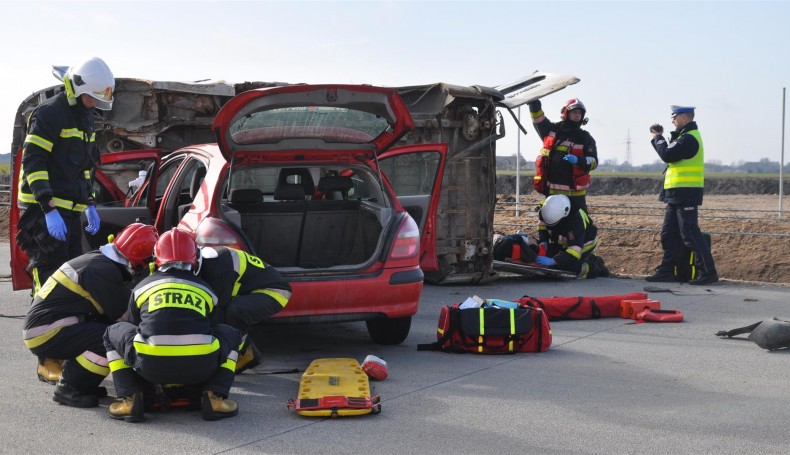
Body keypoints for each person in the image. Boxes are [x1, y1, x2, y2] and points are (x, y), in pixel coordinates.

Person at [104, 228, 242, 422]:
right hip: (201, 367)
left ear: (157, 258)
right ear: (195, 258)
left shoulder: (142, 287)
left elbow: (135, 326)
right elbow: (212, 326)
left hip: (150, 367)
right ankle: (215, 397)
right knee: (232, 334)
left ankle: (130, 398)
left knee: (111, 333)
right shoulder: (207, 290)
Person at [22, 223, 158, 408]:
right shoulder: (103, 271)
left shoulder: (99, 261)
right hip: (48, 332)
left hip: (48, 327)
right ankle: (70, 387)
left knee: (105, 329)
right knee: (111, 337)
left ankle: (84, 383)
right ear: (142, 258)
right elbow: (124, 317)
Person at [16, 57, 115, 295]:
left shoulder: (85, 118)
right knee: (48, 279)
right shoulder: (49, 113)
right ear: (77, 89)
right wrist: (48, 208)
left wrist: (89, 202)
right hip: (42, 212)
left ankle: (63, 327)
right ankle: (41, 325)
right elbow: (33, 161)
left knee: (69, 275)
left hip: (69, 212)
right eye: (91, 97)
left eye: (98, 99)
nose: (93, 104)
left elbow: (85, 167)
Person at [646, 106, 718, 285]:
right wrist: (663, 137)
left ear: (684, 118)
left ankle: (708, 273)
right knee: (668, 234)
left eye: (674, 117)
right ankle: (667, 271)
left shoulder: (689, 138)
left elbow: (668, 154)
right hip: (676, 193)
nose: (672, 120)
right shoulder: (683, 137)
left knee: (690, 233)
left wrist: (658, 138)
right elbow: (673, 151)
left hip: (686, 193)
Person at [198, 246, 292, 373]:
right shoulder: (206, 259)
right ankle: (248, 355)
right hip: (251, 290)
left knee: (232, 312)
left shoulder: (218, 270)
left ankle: (230, 359)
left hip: (276, 291)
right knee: (229, 311)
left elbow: (217, 311)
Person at [527, 98, 598, 213]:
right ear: (566, 113)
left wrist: (578, 160)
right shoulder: (553, 131)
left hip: (575, 196)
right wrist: (534, 105)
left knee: (579, 226)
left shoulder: (585, 137)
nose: (577, 115)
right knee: (550, 223)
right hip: (553, 192)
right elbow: (539, 120)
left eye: (579, 113)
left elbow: (594, 162)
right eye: (574, 112)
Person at [533, 194, 607, 279]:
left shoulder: (575, 222)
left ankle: (593, 266)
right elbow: (542, 225)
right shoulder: (547, 208)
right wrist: (544, 241)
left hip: (582, 244)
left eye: (553, 224)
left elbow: (574, 251)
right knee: (547, 256)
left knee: (568, 268)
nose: (550, 226)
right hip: (563, 242)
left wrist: (554, 261)